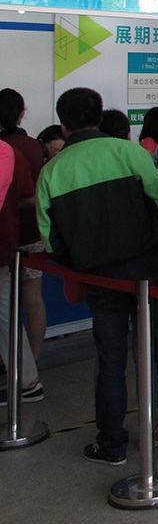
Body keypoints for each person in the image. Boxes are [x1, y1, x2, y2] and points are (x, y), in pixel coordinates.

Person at [36, 87, 158, 464]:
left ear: (64, 124)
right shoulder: (128, 152)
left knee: (110, 358)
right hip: (148, 266)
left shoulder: (52, 171)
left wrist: (81, 260)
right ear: (98, 117)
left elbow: (51, 238)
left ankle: (111, 444)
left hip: (99, 276)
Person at [0, 88, 49, 360]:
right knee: (32, 299)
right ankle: (32, 360)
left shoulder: (6, 148)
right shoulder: (32, 145)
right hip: (31, 232)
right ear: (21, 114)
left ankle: (15, 364)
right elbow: (34, 195)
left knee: (6, 306)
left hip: (6, 234)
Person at [0, 140, 41, 404]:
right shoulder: (10, 153)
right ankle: (27, 380)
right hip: (5, 244)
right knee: (7, 317)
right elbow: (29, 197)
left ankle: (27, 381)